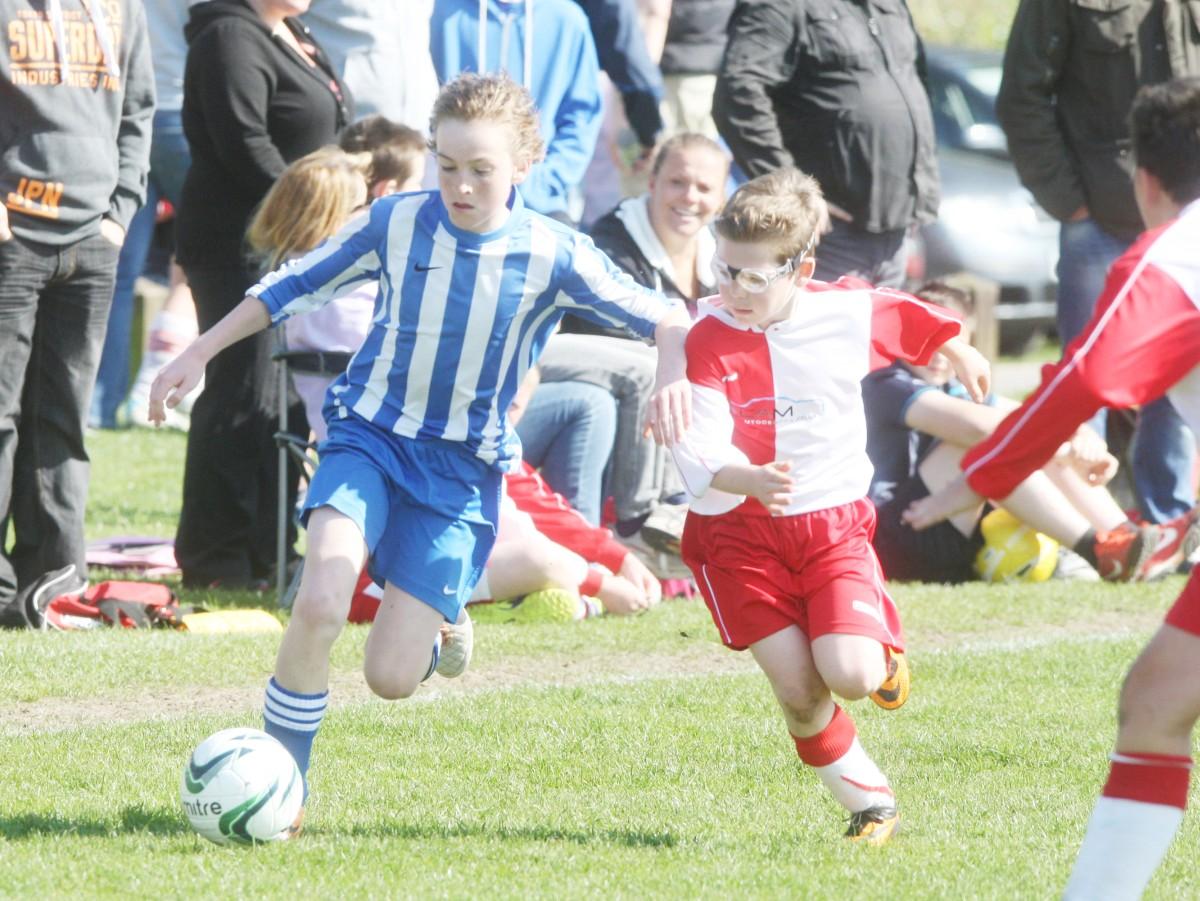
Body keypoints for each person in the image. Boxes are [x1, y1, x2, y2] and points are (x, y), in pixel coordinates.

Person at [149, 73, 692, 831]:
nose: (461, 185)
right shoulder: (396, 221)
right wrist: (198, 351)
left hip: (461, 472)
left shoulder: (553, 252)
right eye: (448, 165)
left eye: (481, 170)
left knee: (391, 677)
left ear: (522, 169)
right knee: (320, 599)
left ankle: (443, 625)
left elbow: (668, 315)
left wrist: (673, 372)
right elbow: (286, 286)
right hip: (368, 438)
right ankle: (282, 789)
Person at [900, 78, 1200, 898]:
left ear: (1142, 177)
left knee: (1156, 703)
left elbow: (1092, 373)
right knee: (1157, 700)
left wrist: (983, 478)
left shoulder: (1172, 256)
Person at [668, 167, 990, 843]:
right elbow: (694, 436)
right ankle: (871, 804)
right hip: (736, 536)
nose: (734, 291)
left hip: (829, 526)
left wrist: (957, 346)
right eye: (724, 270)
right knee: (799, 692)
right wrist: (743, 476)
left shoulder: (843, 311)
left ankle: (882, 651)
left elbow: (912, 318)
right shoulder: (705, 331)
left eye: (755, 278)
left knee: (850, 673)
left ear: (802, 268)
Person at [996, 0, 1200, 527]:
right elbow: (1022, 95)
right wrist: (1071, 202)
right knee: (1088, 379)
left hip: (1184, 221)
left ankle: (1168, 525)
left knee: (1180, 380)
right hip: (1100, 217)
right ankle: (1094, 529)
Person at [173, 0, 352, 589]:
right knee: (242, 393)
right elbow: (244, 144)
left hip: (294, 249)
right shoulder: (228, 35)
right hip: (240, 246)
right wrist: (314, 216)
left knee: (283, 402)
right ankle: (216, 558)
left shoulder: (291, 31)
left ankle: (269, 550)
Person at [0, 0, 153, 607]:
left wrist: (119, 216)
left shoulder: (124, 9)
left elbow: (140, 109)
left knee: (65, 417)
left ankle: (54, 578)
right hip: (15, 231)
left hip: (93, 238)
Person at [527, 133, 729, 557]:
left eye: (705, 187)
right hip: (556, 356)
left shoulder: (720, 256)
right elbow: (612, 331)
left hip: (621, 386)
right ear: (651, 183)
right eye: (677, 182)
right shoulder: (613, 239)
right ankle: (643, 517)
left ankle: (698, 515)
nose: (689, 197)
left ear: (722, 197)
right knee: (650, 363)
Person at [865, 282, 1141, 584]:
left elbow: (1033, 415)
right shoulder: (885, 383)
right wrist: (1061, 448)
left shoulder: (951, 388)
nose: (940, 356)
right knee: (999, 440)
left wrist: (1081, 435)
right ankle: (1096, 549)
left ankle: (1128, 541)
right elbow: (979, 427)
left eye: (951, 344)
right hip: (895, 536)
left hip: (941, 527)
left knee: (1025, 435)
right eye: (931, 340)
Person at [712, 0, 937, 287]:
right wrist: (793, 189)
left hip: (896, 228)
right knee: (825, 330)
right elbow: (737, 93)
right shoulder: (783, 6)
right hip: (827, 234)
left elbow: (915, 84)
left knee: (881, 332)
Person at [430, 0, 603, 223]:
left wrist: (544, 180)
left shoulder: (567, 19)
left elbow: (582, 115)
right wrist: (450, 168)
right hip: (456, 202)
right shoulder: (444, 11)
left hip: (539, 205)